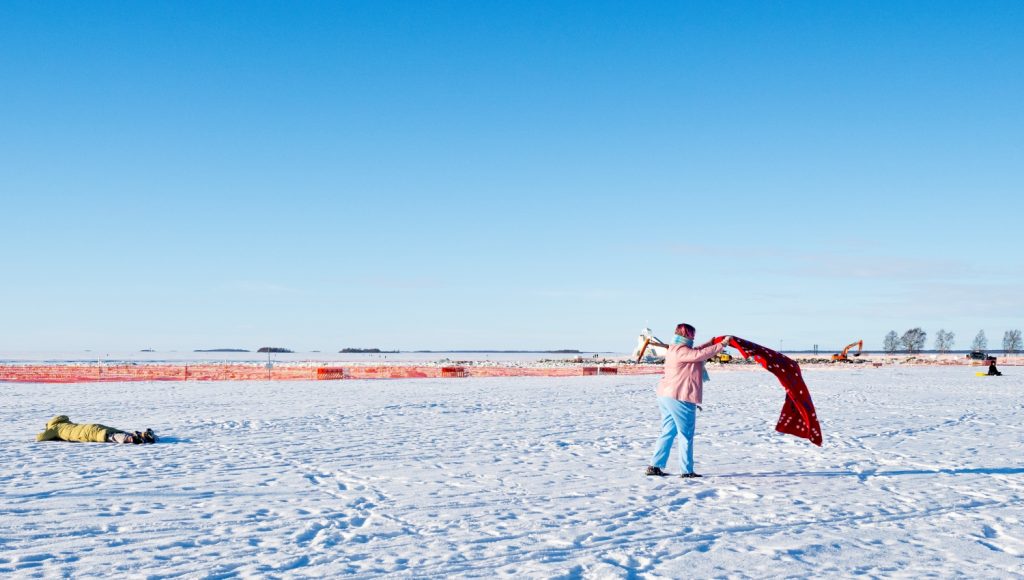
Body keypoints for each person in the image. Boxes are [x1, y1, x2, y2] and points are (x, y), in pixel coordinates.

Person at [645, 323, 730, 478]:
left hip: (666, 395)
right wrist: (721, 345)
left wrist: (711, 343)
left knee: (668, 432)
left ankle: (655, 466)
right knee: (686, 434)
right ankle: (686, 470)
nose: (694, 337)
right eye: (692, 335)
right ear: (687, 334)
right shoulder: (681, 351)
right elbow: (699, 355)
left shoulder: (675, 348)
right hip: (679, 396)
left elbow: (697, 351)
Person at [36, 415, 157, 444]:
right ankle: (143, 434)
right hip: (91, 425)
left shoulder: (54, 428)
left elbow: (40, 438)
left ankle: (131, 439)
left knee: (107, 436)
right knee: (112, 431)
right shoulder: (67, 423)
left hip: (87, 432)